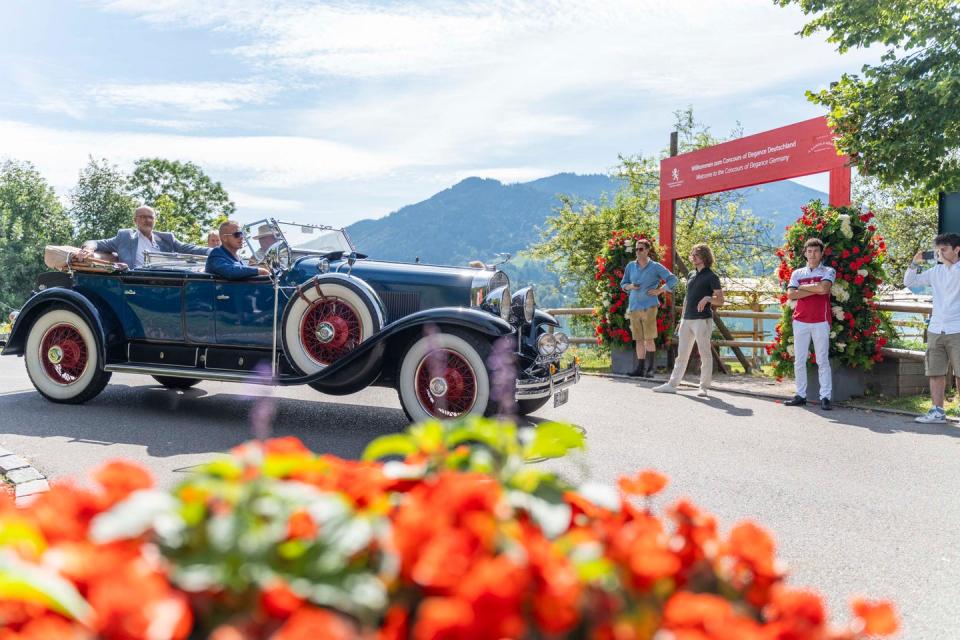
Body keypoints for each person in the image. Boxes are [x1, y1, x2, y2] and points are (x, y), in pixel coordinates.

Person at [653, 244, 723, 396]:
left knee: (704, 354)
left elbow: (721, 300)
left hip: (702, 320)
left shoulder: (712, 276)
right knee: (682, 354)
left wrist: (707, 298)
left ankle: (703, 387)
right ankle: (672, 384)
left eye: (696, 254)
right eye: (692, 254)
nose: (693, 257)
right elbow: (687, 298)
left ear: (705, 257)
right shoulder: (691, 275)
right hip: (687, 320)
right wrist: (681, 320)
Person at [904, 232, 960, 424]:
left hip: (957, 328)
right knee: (935, 371)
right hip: (936, 328)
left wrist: (947, 263)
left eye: (944, 250)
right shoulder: (936, 271)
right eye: (937, 250)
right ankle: (937, 411)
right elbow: (909, 283)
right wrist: (915, 263)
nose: (939, 254)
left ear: (957, 250)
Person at [784, 238, 835, 410]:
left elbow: (824, 289)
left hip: (821, 320)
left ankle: (825, 397)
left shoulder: (829, 270)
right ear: (805, 253)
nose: (812, 254)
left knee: (822, 360)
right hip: (800, 321)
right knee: (799, 360)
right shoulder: (797, 273)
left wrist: (803, 289)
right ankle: (800, 395)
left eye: (816, 251)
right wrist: (815, 287)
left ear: (821, 254)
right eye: (809, 251)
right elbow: (791, 294)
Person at [75, 206, 211, 269]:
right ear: (135, 220)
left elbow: (188, 248)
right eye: (142, 217)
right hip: (136, 281)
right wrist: (87, 249)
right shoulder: (125, 237)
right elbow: (96, 242)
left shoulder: (167, 238)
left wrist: (213, 251)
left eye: (150, 217)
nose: (147, 220)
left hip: (165, 281)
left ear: (155, 220)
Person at [620, 239, 678, 377]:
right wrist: (630, 287)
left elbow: (673, 279)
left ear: (647, 250)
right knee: (638, 339)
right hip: (634, 307)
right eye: (636, 249)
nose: (638, 252)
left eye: (641, 249)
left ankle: (650, 369)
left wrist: (660, 290)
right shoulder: (630, 266)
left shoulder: (655, 266)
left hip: (649, 307)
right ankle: (640, 369)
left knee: (649, 338)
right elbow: (623, 284)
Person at [206, 220, 271, 280]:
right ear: (224, 238)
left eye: (242, 234)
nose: (241, 237)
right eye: (237, 234)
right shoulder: (216, 254)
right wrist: (258, 270)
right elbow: (230, 272)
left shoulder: (239, 258)